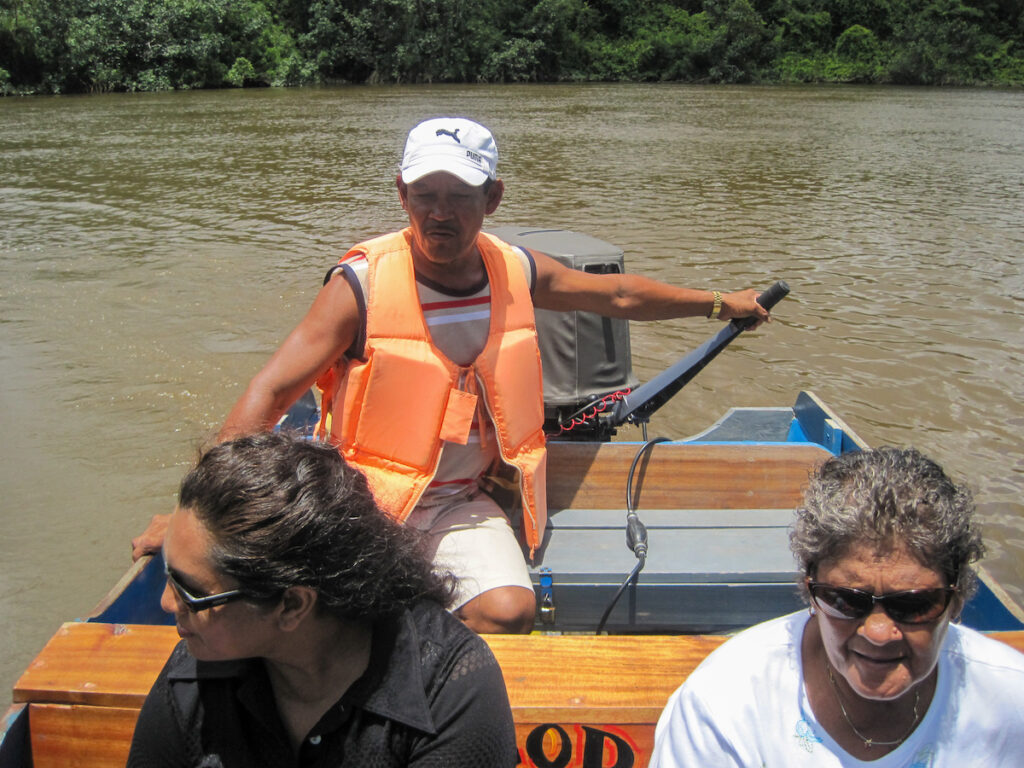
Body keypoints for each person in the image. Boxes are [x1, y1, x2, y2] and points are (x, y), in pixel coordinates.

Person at [132, 116, 772, 634]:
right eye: (425, 196)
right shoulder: (358, 285)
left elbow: (619, 297)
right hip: (363, 498)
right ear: (402, 195)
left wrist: (721, 304)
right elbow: (271, 392)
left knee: (508, 612)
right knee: (317, 623)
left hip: (462, 499)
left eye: (460, 197)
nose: (441, 214)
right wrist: (193, 512)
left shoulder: (513, 268)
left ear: (491, 198)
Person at [126, 431, 519, 768]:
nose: (165, 603)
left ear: (293, 605)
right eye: (168, 575)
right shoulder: (194, 677)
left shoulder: (448, 693)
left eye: (191, 592)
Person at [649, 446, 1024, 767]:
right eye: (847, 601)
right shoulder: (723, 704)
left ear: (956, 597)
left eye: (912, 606)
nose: (878, 633)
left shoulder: (1011, 698)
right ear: (809, 590)